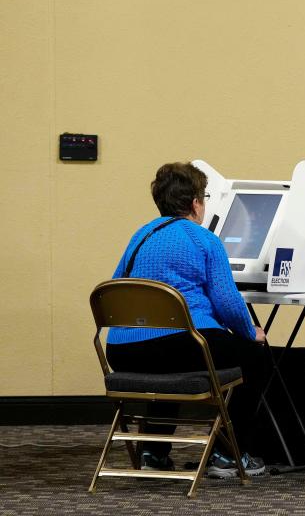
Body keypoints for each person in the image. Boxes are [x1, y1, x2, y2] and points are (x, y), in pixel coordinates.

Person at [106, 162, 270, 478]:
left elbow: (116, 289)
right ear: (195, 203)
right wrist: (251, 333)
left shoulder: (140, 235)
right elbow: (228, 304)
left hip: (123, 349)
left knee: (169, 362)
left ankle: (154, 451)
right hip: (183, 343)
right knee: (255, 356)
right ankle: (226, 455)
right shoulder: (203, 239)